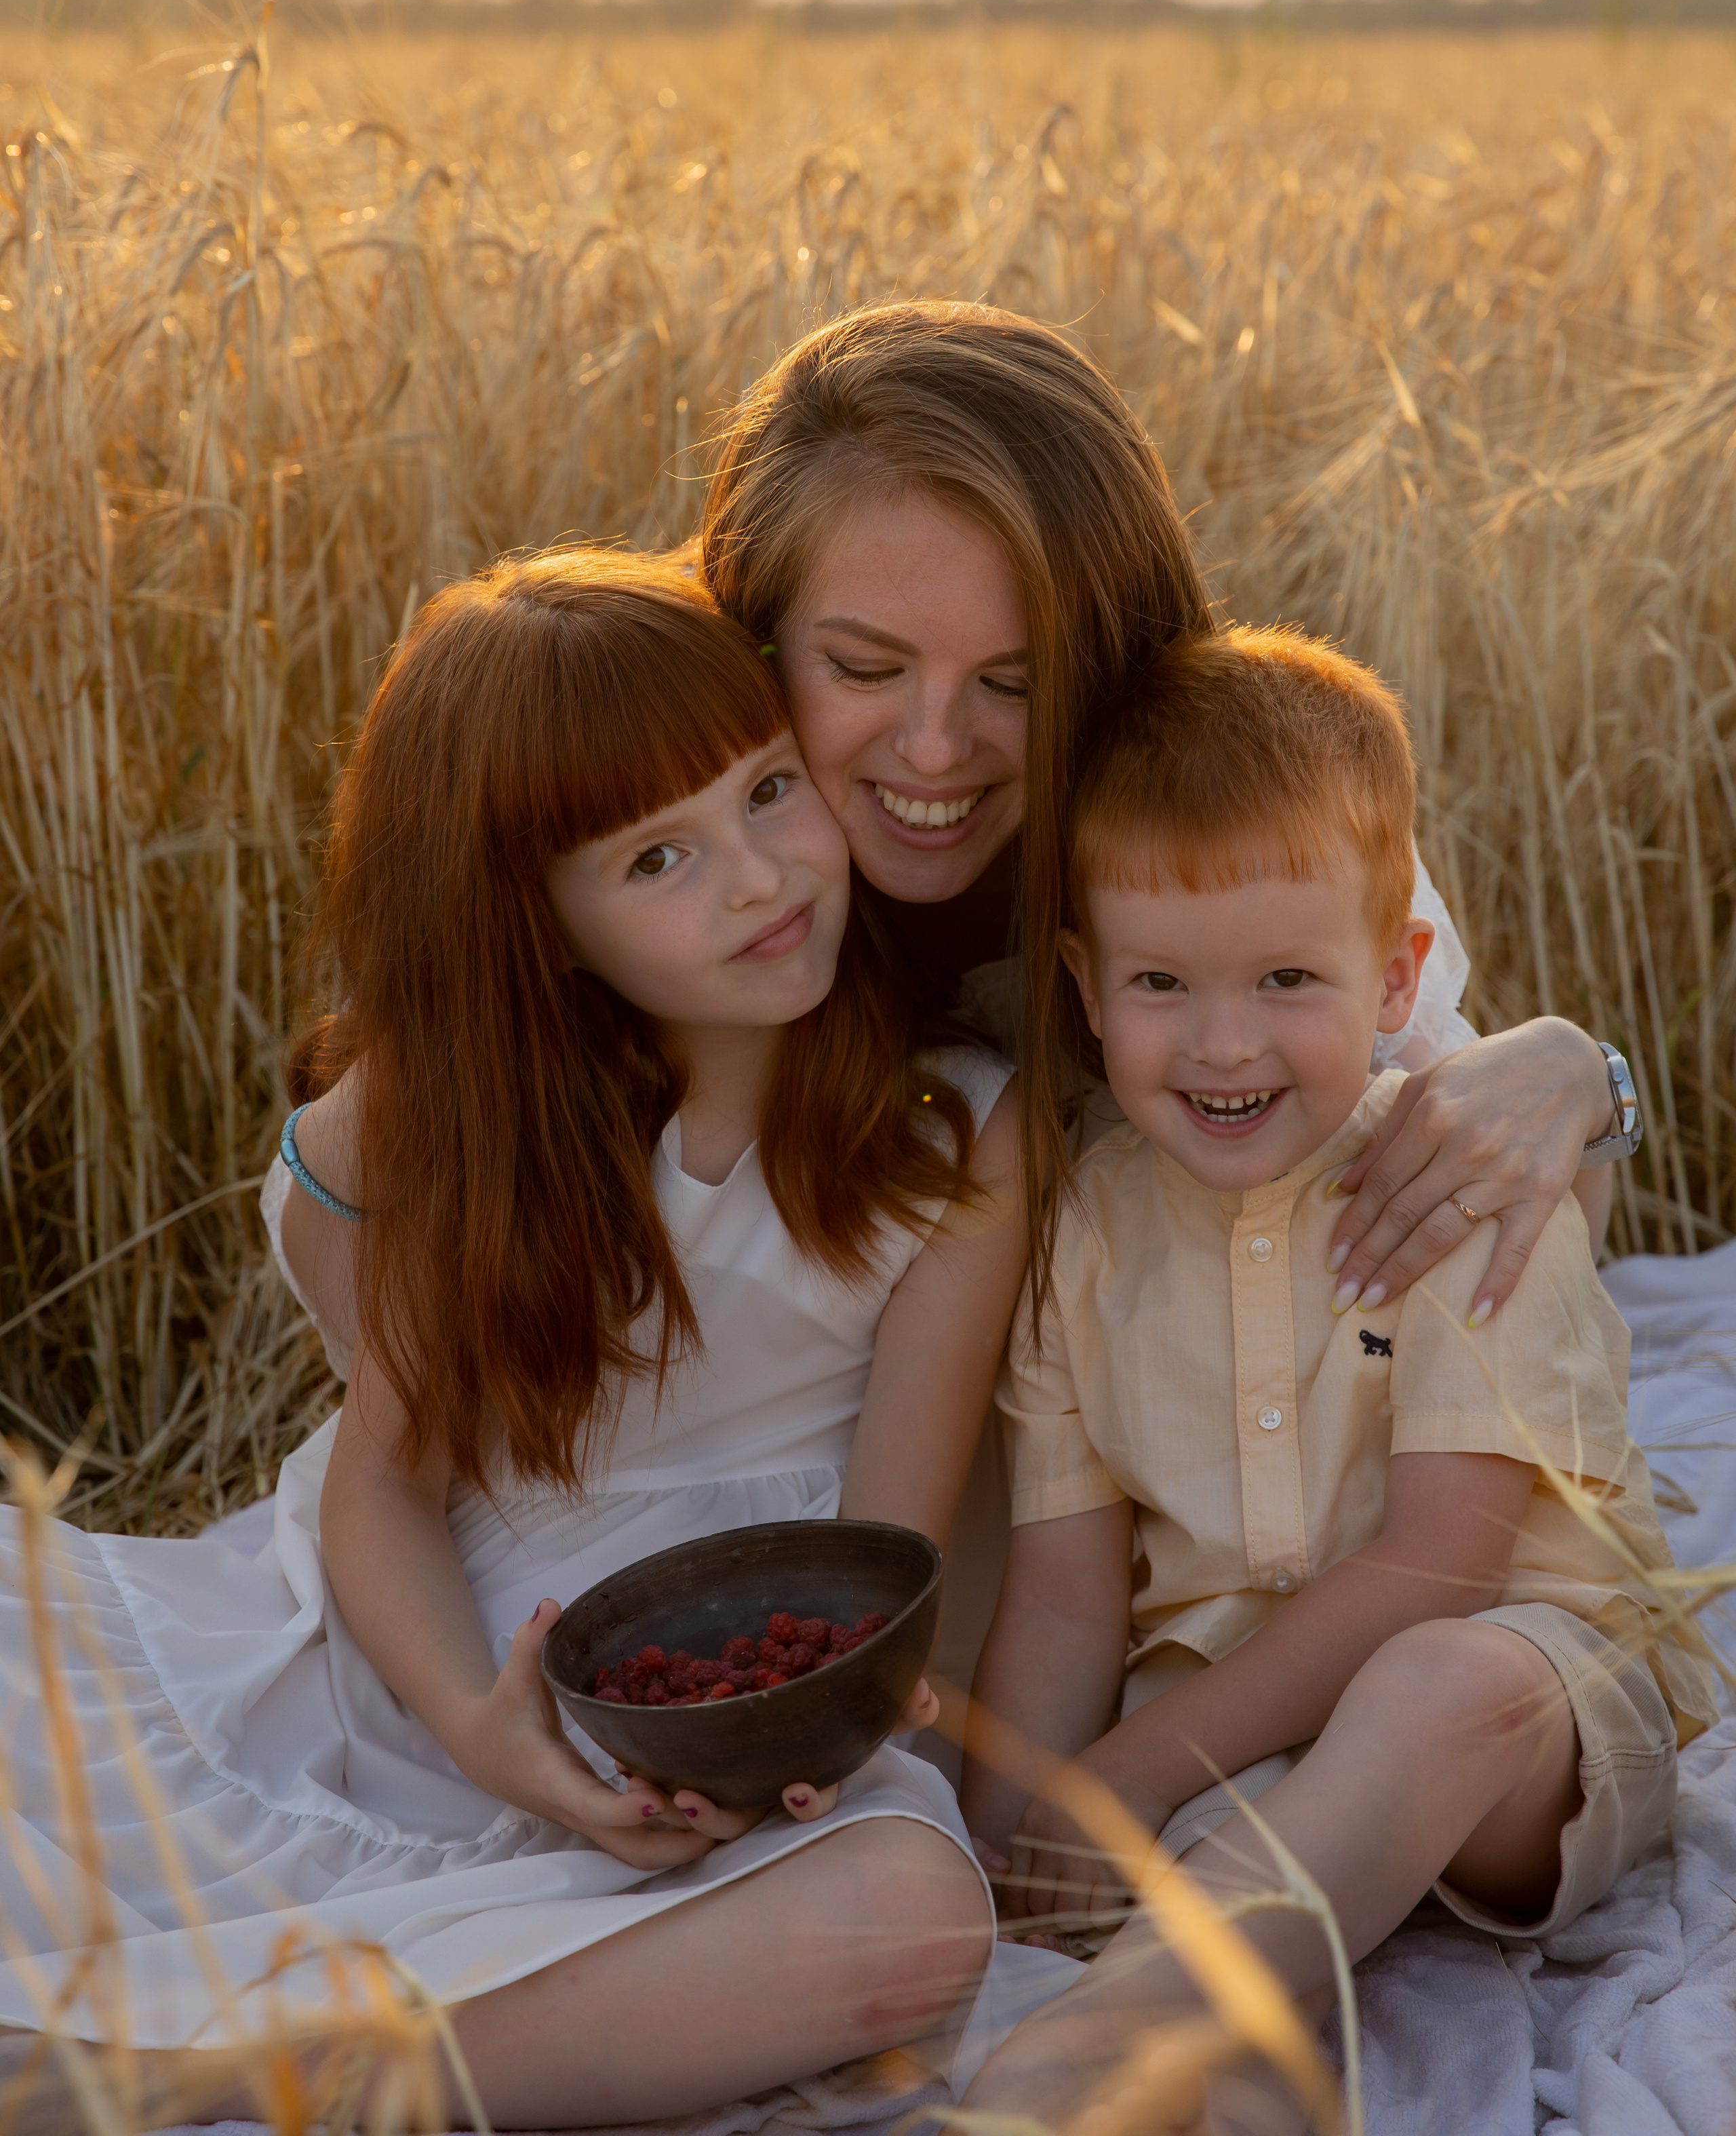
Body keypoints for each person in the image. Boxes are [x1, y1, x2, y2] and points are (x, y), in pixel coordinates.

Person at [0, 551, 1032, 2128]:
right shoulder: (450, 1128)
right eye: (655, 861)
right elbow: (387, 1488)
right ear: (538, 921)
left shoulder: (952, 1128)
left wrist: (819, 1717)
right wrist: (495, 1743)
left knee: (911, 1919)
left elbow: (883, 1548)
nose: (758, 878)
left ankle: (281, 2085)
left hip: (729, 1700)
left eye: (767, 792)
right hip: (416, 1667)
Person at [958, 626, 1712, 2131]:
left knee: (1438, 1684)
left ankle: (1118, 2042)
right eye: (1161, 981)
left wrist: (1127, 1774)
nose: (1222, 1041)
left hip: (1520, 1727)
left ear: (1396, 973)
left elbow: (1442, 1570)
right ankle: (1215, 2028)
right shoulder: (1079, 1232)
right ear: (1083, 986)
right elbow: (1061, 1592)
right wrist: (1013, 1833)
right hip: (1239, 1766)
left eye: (1286, 978)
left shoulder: (1457, 1185)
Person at [701, 298, 1634, 1323]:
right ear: (754, 635)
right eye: (865, 667)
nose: (933, 748)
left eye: (1016, 684)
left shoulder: (1248, 821)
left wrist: (1582, 1080)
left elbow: (1495, 1230)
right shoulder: (653, 818)